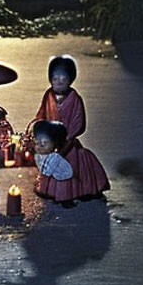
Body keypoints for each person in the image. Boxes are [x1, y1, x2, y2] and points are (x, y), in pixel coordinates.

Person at [29, 56, 110, 203]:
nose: (59, 82)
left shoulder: (75, 98)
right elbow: (42, 113)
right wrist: (39, 127)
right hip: (50, 139)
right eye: (55, 78)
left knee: (71, 164)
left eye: (63, 78)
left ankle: (73, 193)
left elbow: (78, 121)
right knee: (50, 163)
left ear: (70, 80)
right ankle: (51, 191)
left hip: (67, 140)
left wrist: (68, 136)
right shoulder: (49, 95)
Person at [31, 119, 74, 205]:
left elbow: (46, 172)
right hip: (53, 175)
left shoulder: (55, 157)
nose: (39, 147)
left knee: (61, 189)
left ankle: (64, 201)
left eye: (43, 144)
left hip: (62, 176)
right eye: (37, 143)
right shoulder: (43, 154)